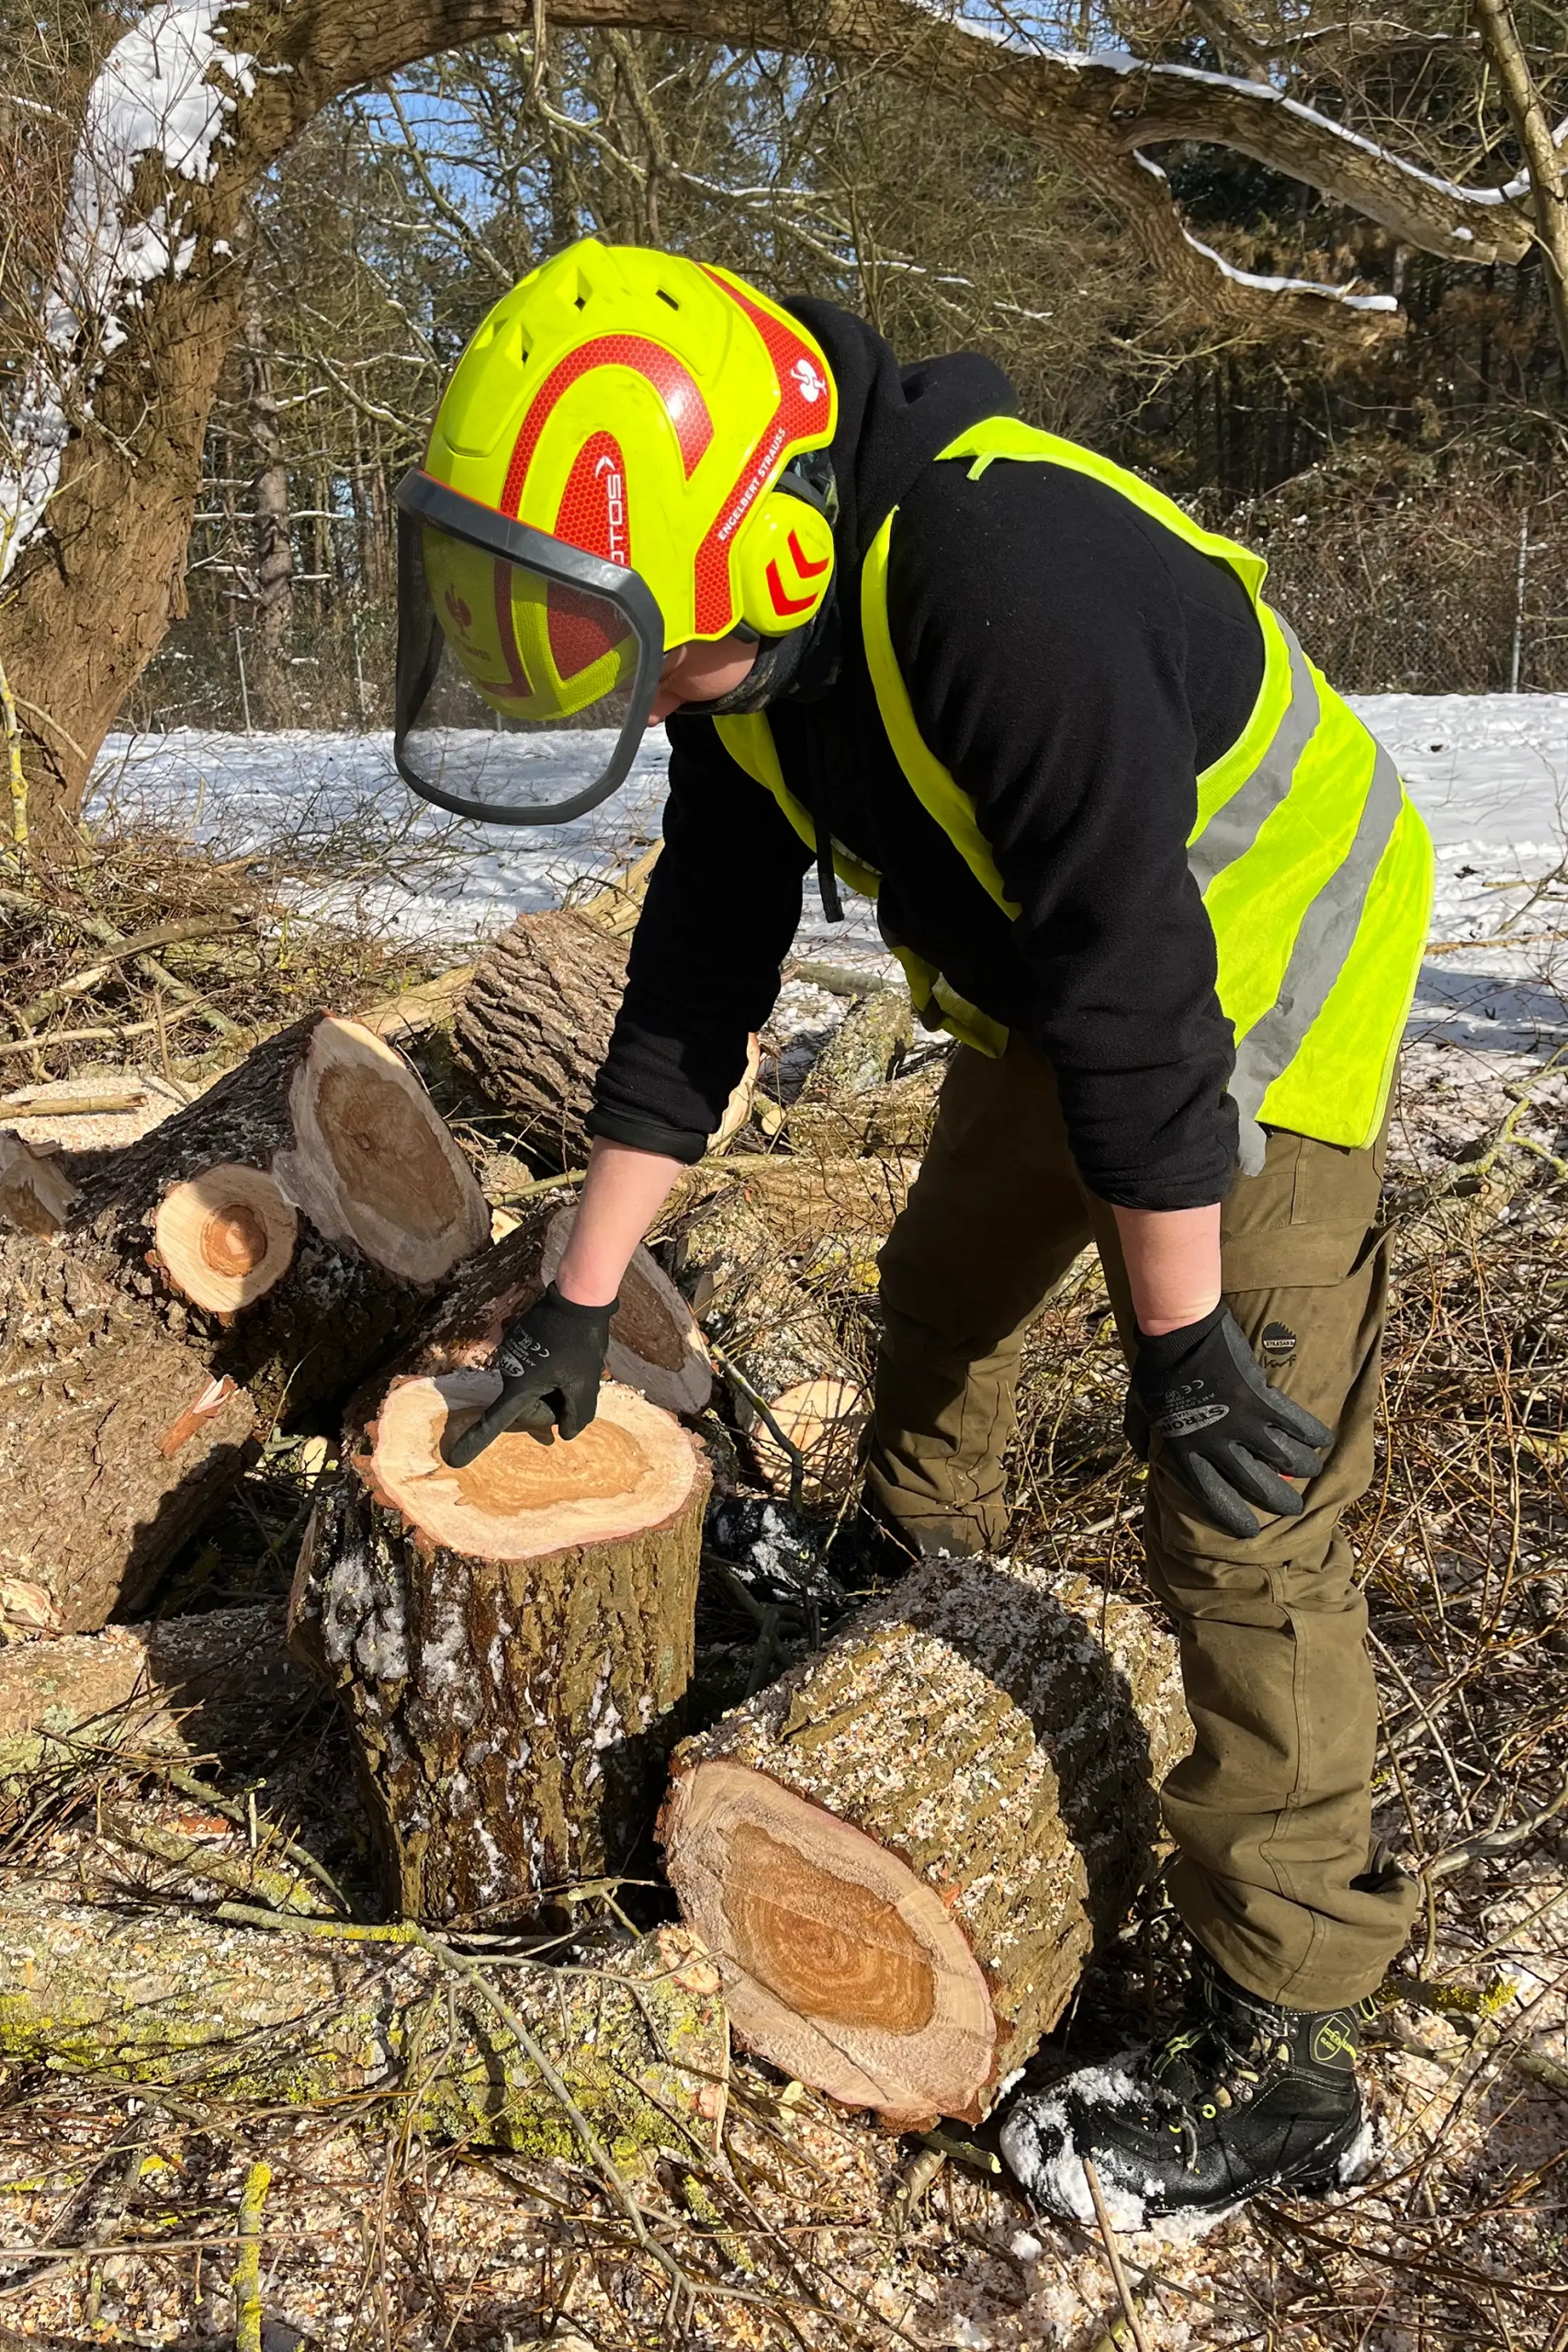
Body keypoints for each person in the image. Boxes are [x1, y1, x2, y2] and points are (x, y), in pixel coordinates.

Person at [391, 237, 1434, 2224]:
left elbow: (1146, 989)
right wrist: (580, 1302)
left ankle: (1291, 2027)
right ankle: (907, 1561)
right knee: (945, 1284)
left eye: (642, 650)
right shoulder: (746, 640)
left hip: (1252, 957)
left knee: (1238, 1502)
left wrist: (1189, 1344)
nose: (634, 690)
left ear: (765, 562)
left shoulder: (993, 585)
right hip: (1071, 956)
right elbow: (701, 970)